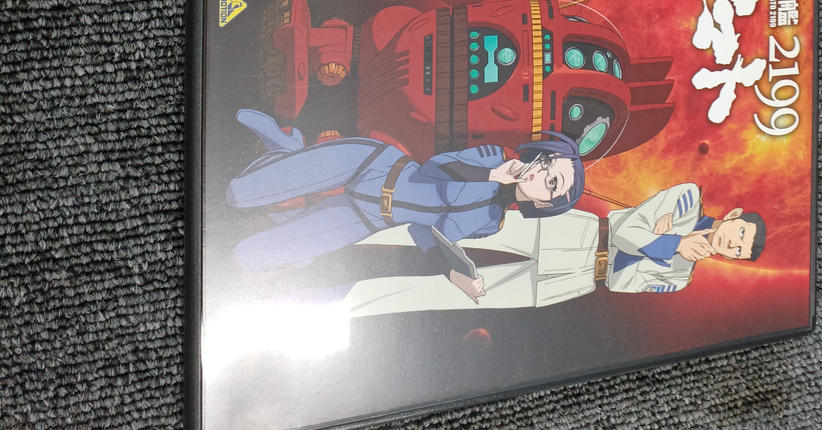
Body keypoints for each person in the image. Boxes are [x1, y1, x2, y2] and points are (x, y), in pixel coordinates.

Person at [226, 109, 584, 292]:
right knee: (237, 194)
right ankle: (287, 149)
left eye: (552, 182)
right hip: (372, 165)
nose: (540, 172)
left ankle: (291, 161)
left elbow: (423, 233)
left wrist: (454, 274)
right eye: (546, 162)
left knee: (247, 257)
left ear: (545, 204)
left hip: (367, 217)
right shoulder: (493, 158)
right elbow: (433, 167)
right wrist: (490, 175)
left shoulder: (492, 222)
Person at [334, 181, 766, 315]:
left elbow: (621, 283)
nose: (733, 243)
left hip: (576, 281)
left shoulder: (681, 278)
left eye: (739, 250)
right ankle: (351, 230)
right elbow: (625, 235)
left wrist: (662, 245)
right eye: (741, 233)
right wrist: (670, 241)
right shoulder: (688, 199)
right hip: (575, 233)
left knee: (458, 294)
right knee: (461, 229)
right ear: (733, 215)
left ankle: (349, 306)